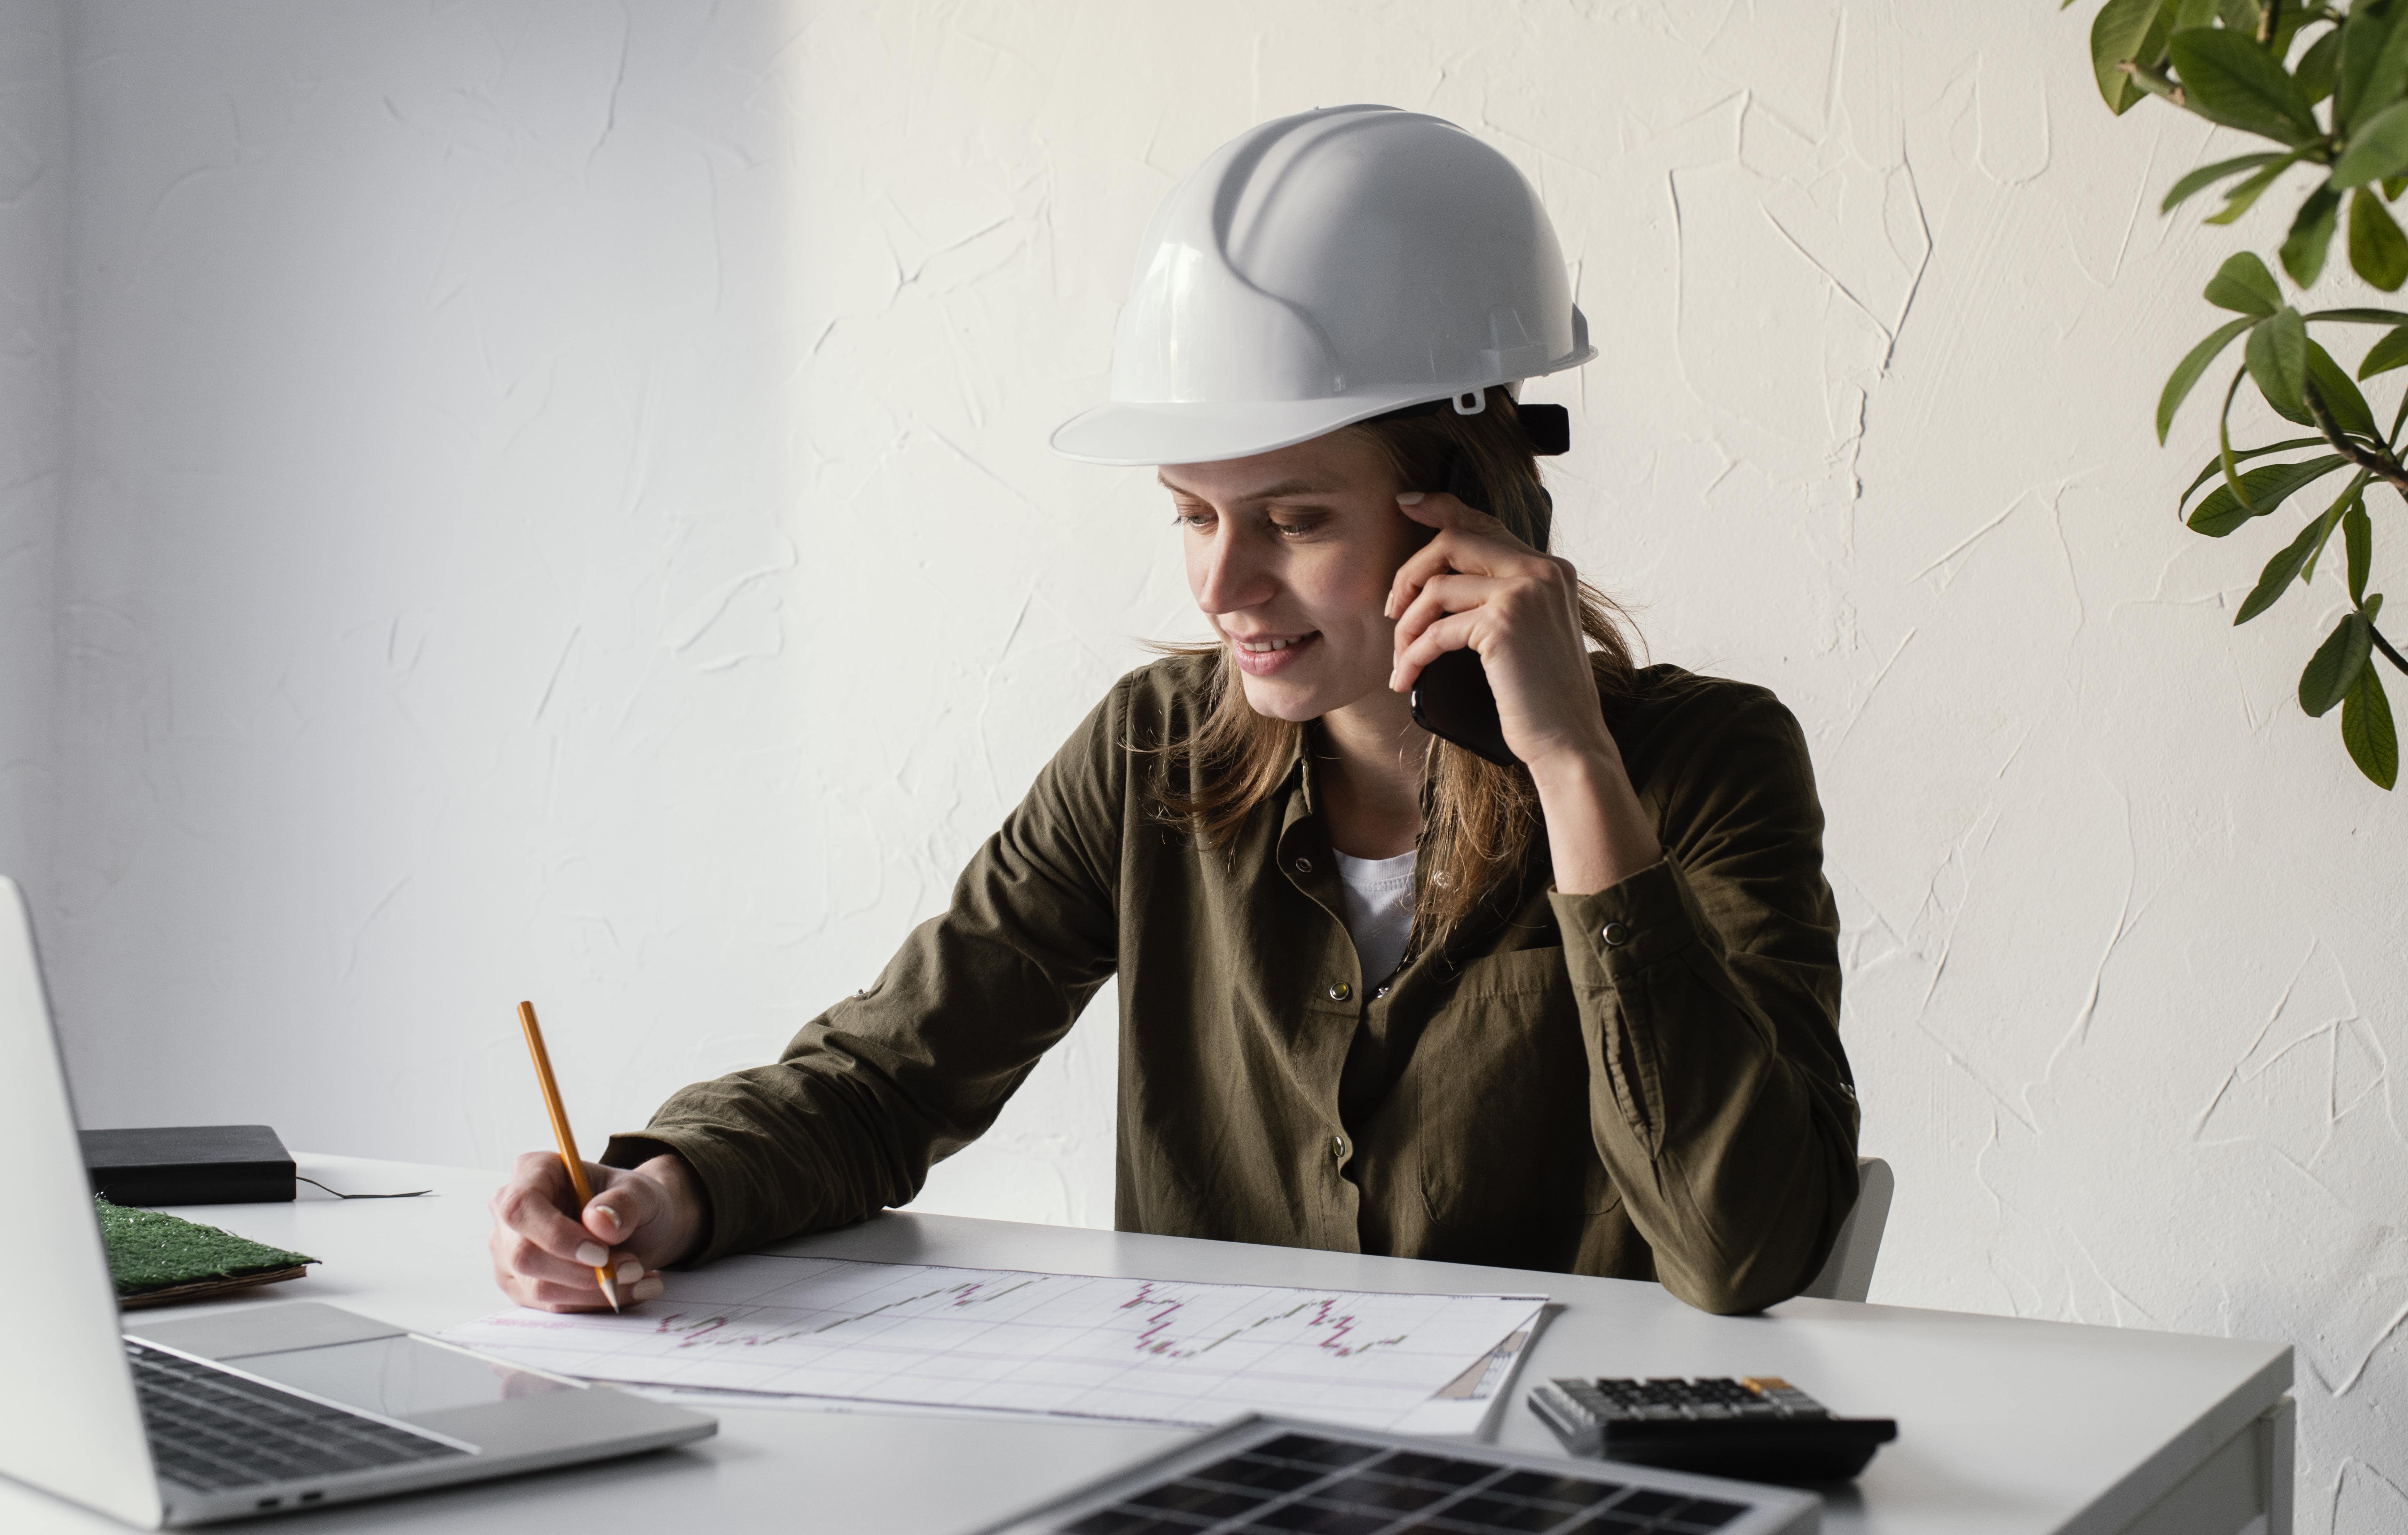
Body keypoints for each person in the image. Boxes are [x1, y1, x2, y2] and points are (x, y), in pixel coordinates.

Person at [487, 106, 1859, 1318]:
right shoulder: (1151, 748)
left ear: (1477, 505)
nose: (1220, 582)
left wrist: (1567, 763)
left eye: (1294, 518)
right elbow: (893, 1072)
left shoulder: (1702, 767)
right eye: (1193, 513)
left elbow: (1738, 1249)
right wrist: (665, 1188)